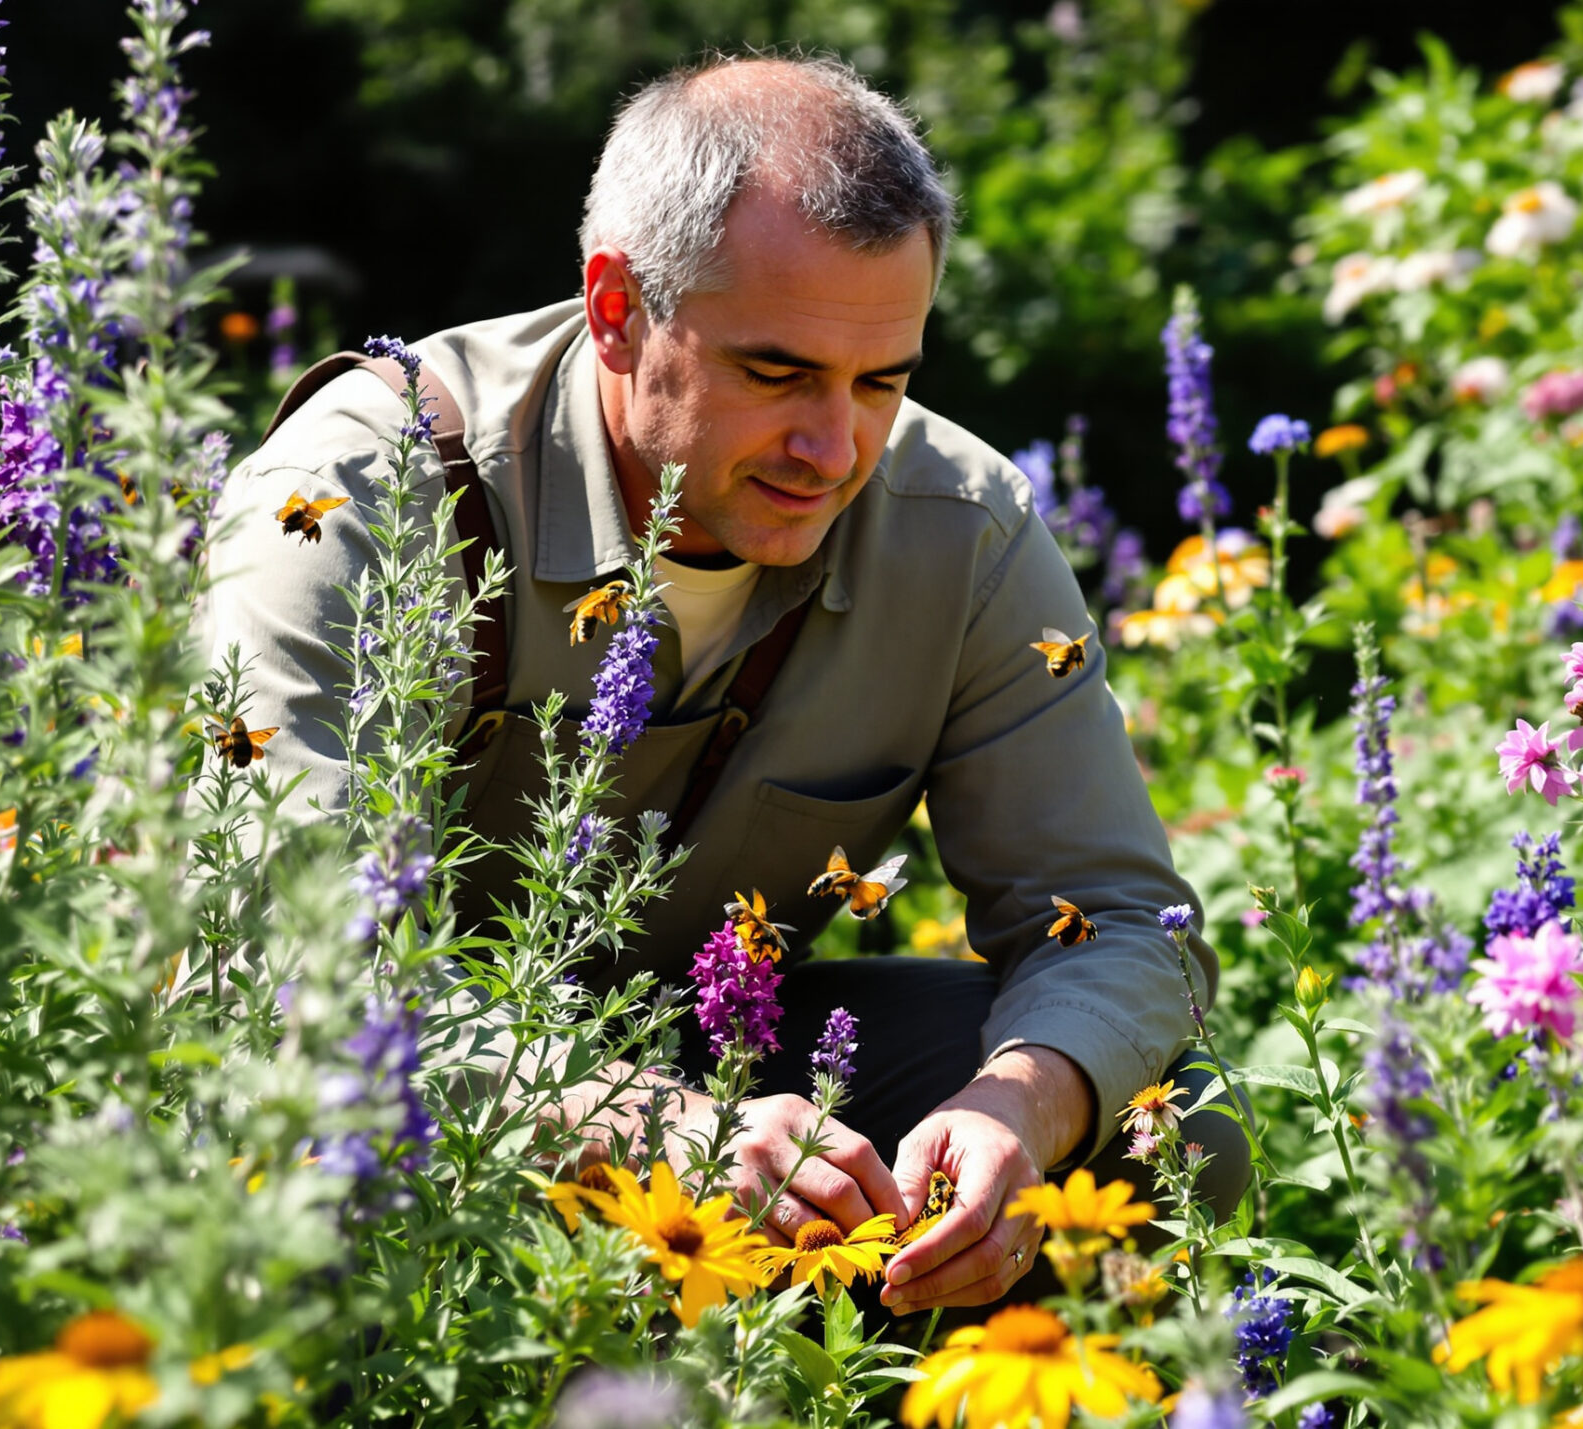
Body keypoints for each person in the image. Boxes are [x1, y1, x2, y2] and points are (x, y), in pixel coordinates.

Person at [193, 52, 1243, 1314]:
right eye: (779, 372)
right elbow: (263, 948)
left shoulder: (956, 524)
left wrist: (1022, 1100)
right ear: (617, 307)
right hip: (396, 1088)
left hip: (724, 1074)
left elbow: (1126, 922)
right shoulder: (371, 492)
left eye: (884, 382)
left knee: (1163, 1126)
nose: (835, 446)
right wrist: (623, 1119)